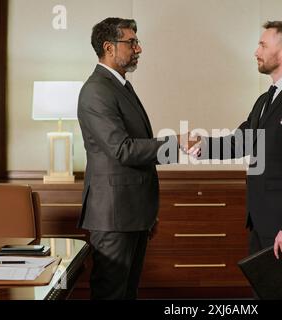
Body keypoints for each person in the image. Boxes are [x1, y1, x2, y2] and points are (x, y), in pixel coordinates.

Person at [197, 21, 282, 297]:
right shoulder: (264, 100)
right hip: (260, 221)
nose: (256, 51)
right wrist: (200, 146)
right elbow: (240, 141)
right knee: (267, 294)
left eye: (263, 45)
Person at [77, 17, 195, 300]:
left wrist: (146, 213)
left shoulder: (119, 86)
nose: (138, 49)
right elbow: (123, 149)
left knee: (127, 293)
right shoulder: (96, 90)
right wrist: (176, 143)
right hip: (114, 217)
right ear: (109, 47)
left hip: (132, 214)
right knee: (111, 294)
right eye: (131, 42)